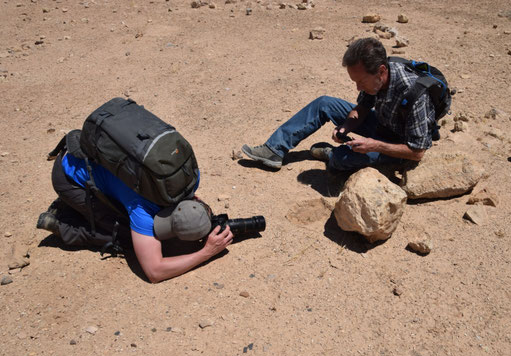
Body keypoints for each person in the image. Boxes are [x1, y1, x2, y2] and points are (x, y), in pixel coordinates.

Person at [36, 148, 233, 283]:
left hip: (78, 149)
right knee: (126, 235)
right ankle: (64, 223)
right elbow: (154, 272)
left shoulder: (191, 176)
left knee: (123, 207)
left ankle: (84, 202)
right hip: (67, 177)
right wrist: (206, 252)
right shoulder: (142, 209)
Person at [241, 37, 437, 171]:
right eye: (355, 82)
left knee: (342, 159)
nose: (358, 88)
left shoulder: (415, 93)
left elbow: (418, 152)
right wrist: (346, 126)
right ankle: (274, 150)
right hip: (383, 124)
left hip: (400, 145)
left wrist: (374, 145)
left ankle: (330, 155)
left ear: (381, 71)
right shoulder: (376, 81)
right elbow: (362, 107)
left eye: (361, 82)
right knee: (324, 103)